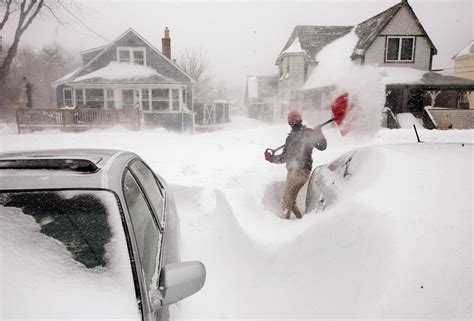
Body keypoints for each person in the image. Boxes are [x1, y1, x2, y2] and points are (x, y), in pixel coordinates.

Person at [265, 110, 327, 220]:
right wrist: (318, 133)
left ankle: (284, 227)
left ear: (290, 123)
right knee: (291, 201)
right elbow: (322, 146)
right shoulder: (306, 134)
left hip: (297, 171)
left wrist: (271, 158)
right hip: (302, 172)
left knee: (285, 202)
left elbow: (284, 158)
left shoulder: (298, 136)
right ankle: (300, 220)